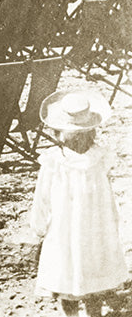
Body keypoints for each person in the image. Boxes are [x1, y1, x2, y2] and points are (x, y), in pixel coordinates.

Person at [25, 89, 126, 317]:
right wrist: (111, 224)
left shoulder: (60, 160)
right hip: (91, 230)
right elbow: (107, 197)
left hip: (66, 230)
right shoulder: (91, 158)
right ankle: (91, 314)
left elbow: (42, 198)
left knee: (70, 277)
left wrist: (39, 227)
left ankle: (79, 315)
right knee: (89, 276)